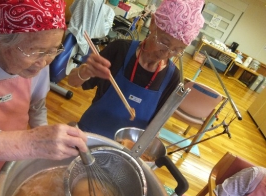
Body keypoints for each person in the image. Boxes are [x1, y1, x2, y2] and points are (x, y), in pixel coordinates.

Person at [0, 0, 88, 196]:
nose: (44, 63)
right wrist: (28, 143)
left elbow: (37, 107)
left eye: (54, 50)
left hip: (13, 161)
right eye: (35, 51)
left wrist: (42, 146)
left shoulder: (38, 59)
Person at [67, 0, 205, 139]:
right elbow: (72, 82)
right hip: (90, 134)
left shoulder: (172, 77)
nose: (166, 53)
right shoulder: (120, 49)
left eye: (177, 49)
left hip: (127, 148)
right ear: (152, 24)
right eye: (164, 42)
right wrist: (85, 71)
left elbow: (155, 125)